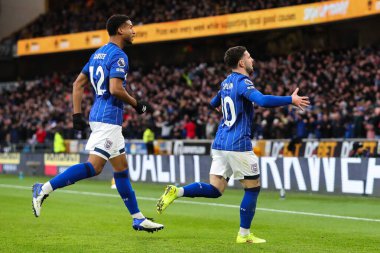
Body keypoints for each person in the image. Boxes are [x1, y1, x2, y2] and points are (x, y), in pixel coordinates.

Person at [156, 46, 309, 243]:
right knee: (252, 188)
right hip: (238, 144)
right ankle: (244, 235)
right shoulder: (243, 82)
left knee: (216, 189)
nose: (252, 59)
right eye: (248, 56)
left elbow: (213, 103)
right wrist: (291, 99)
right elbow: (261, 100)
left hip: (220, 142)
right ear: (241, 63)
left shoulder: (226, 82)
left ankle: (178, 191)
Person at [32, 14, 164, 233]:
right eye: (131, 27)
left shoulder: (97, 54)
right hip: (108, 119)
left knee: (121, 170)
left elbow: (77, 84)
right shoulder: (120, 56)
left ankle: (138, 218)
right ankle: (43, 188)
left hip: (101, 117)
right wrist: (136, 104)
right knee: (94, 167)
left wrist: (76, 115)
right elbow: (115, 89)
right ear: (120, 30)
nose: (134, 31)